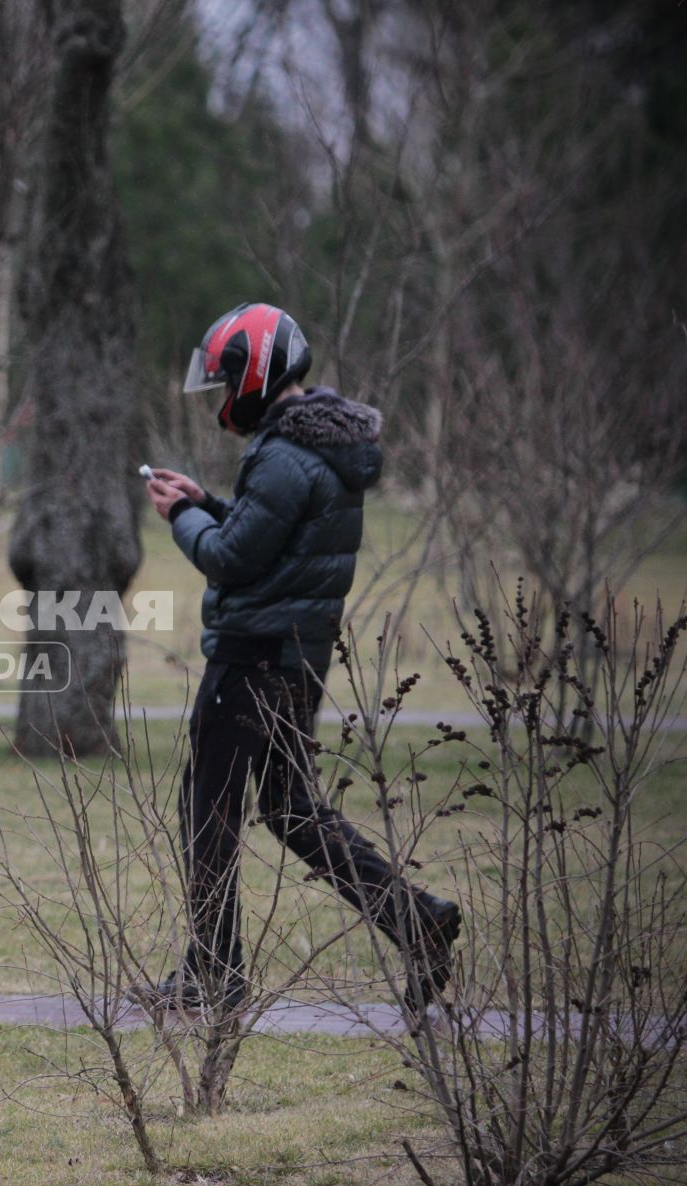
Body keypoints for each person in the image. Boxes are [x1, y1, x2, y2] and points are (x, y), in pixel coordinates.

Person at [146, 302, 460, 1015]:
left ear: (256, 373)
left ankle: (212, 976)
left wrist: (182, 518)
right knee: (289, 810)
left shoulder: (286, 458)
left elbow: (229, 561)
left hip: (251, 661)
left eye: (227, 382)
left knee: (210, 815)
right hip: (295, 659)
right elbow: (270, 543)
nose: (224, 399)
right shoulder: (314, 449)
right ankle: (420, 923)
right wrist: (210, 502)